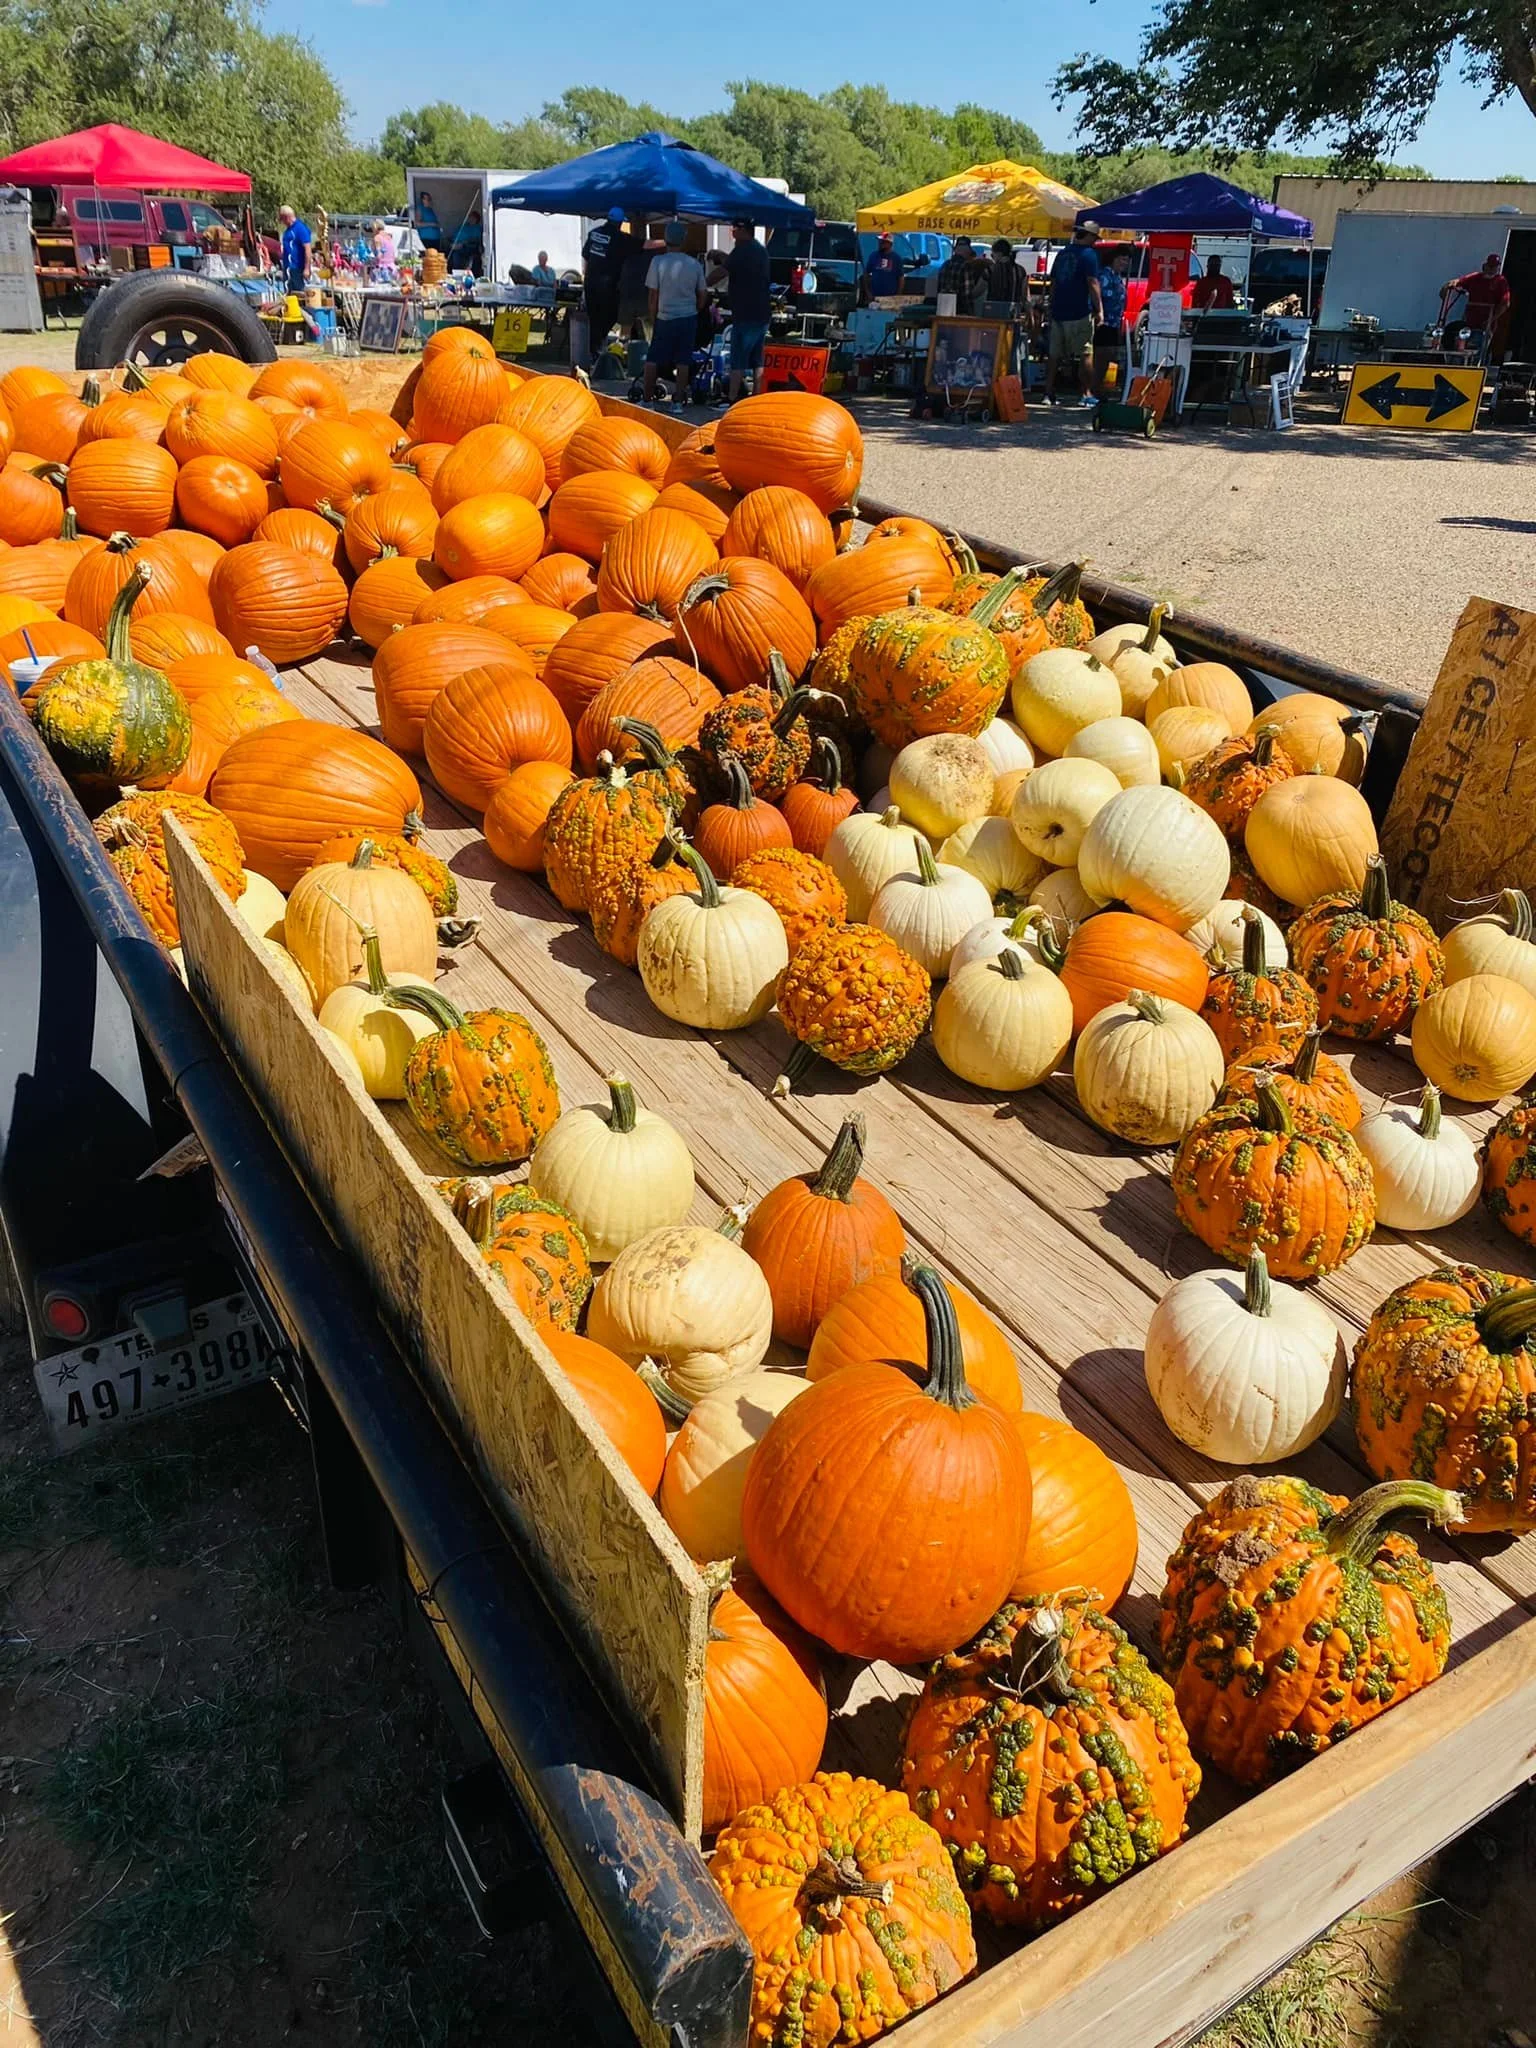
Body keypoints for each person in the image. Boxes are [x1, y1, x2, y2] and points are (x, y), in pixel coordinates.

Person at [644, 221, 706, 404]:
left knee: (653, 358)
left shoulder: (658, 262)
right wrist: (696, 308)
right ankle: (678, 400)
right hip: (688, 317)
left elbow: (653, 294)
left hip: (664, 316)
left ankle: (647, 399)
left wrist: (652, 316)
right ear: (683, 240)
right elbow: (703, 293)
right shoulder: (694, 264)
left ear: (666, 239)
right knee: (683, 360)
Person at [1044, 221, 1102, 405]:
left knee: (1054, 355)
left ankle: (1048, 393)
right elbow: (1092, 282)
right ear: (1089, 236)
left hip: (1058, 311)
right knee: (1085, 353)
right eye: (1094, 237)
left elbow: (1053, 282)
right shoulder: (1089, 254)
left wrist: (1050, 306)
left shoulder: (1062, 253)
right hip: (1079, 311)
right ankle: (1085, 395)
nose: (1095, 241)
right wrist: (1099, 309)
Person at [724, 218, 771, 404]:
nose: (732, 231)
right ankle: (756, 399)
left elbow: (720, 272)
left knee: (738, 359)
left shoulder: (742, 250)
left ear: (744, 230)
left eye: (735, 228)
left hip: (745, 314)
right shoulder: (759, 250)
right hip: (761, 313)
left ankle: (732, 399)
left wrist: (701, 284)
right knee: (756, 360)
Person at [1444, 253, 1513, 357]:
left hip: (1485, 325)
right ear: (1485, 266)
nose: (1492, 269)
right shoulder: (1475, 277)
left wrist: (1491, 320)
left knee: (1478, 351)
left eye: (1495, 266)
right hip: (1468, 323)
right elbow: (1458, 282)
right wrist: (1448, 286)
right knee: (1459, 348)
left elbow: (1505, 304)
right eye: (1490, 266)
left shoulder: (1501, 282)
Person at [581, 206, 627, 359]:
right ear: (620, 223)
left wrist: (586, 277)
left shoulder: (593, 234)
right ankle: (595, 347)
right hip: (607, 286)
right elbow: (638, 245)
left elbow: (586, 257)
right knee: (610, 315)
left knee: (594, 317)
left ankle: (593, 348)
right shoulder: (619, 238)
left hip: (591, 284)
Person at [1093, 245, 1131, 394]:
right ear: (1114, 259)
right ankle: (1093, 388)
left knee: (1108, 357)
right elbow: (1096, 297)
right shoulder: (1104, 276)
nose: (1124, 263)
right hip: (1103, 321)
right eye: (1122, 259)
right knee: (1100, 357)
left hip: (1114, 323)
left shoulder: (1117, 277)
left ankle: (1097, 387)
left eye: (1127, 261)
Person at [937, 234, 989, 314]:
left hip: (943, 310)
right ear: (967, 250)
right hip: (960, 312)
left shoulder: (945, 265)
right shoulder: (965, 266)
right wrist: (971, 313)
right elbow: (967, 295)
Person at [984, 238, 1025, 313]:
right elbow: (1023, 295)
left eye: (992, 255)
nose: (992, 258)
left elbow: (978, 290)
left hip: (993, 311)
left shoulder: (991, 270)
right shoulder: (1021, 270)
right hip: (1014, 312)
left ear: (999, 254)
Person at [277, 204, 311, 295]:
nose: (282, 222)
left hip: (297, 268)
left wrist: (307, 268)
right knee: (288, 294)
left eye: (282, 219)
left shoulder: (300, 229)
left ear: (287, 217)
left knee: (298, 293)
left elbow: (307, 249)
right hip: (288, 268)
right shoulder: (288, 231)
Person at [864, 231, 904, 300]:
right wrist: (868, 292)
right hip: (874, 296)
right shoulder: (873, 256)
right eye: (879, 241)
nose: (880, 244)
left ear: (889, 244)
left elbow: (901, 278)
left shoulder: (896, 258)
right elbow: (866, 274)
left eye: (883, 242)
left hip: (890, 298)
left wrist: (898, 295)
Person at [449, 204, 483, 275]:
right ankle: (456, 273)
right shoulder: (465, 226)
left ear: (476, 219)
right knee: (454, 253)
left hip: (469, 247)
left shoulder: (477, 228)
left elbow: (476, 239)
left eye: (472, 218)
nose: (470, 219)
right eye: (470, 217)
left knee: (459, 253)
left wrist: (463, 243)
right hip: (457, 246)